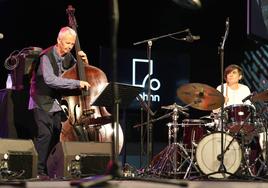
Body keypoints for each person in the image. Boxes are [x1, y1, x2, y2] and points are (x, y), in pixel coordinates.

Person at [28, 26, 91, 177]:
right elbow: (50, 80)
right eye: (67, 43)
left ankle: (52, 170)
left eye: (72, 44)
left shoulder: (69, 56)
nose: (69, 47)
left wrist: (84, 62)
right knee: (44, 135)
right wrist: (77, 84)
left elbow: (80, 73)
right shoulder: (46, 56)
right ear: (58, 40)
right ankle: (38, 171)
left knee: (57, 134)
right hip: (41, 99)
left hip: (56, 102)